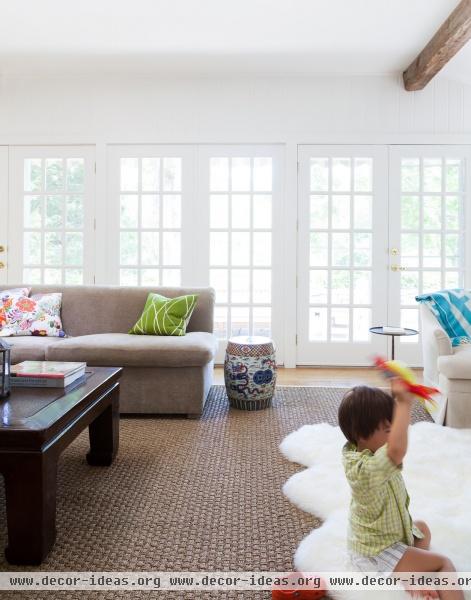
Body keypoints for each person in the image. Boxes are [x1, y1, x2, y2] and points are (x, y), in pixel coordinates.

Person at [338, 380, 464, 600]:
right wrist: (404, 402)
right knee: (443, 564)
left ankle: (412, 579)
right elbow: (396, 450)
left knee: (422, 529)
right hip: (376, 553)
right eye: (389, 430)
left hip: (390, 534)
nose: (394, 436)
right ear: (361, 434)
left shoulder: (368, 450)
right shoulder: (365, 470)